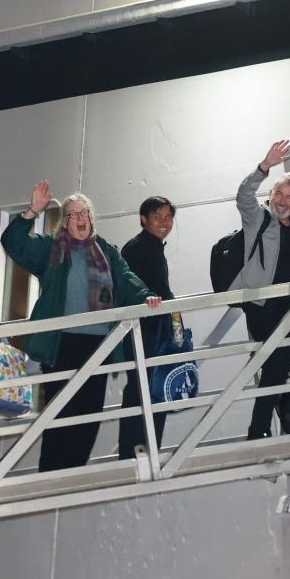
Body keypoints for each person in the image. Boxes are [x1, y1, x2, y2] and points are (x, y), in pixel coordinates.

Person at [1, 182, 161, 472]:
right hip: (62, 344)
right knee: (61, 414)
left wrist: (144, 295)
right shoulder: (50, 248)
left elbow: (125, 278)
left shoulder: (106, 251)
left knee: (88, 415)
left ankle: (73, 471)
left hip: (97, 345)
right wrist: (32, 212)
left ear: (91, 216)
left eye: (83, 212)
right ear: (64, 221)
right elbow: (14, 244)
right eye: (72, 214)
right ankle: (51, 474)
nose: (79, 218)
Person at [231, 140, 290, 439]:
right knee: (277, 366)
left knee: (278, 371)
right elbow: (243, 197)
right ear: (271, 194)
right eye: (278, 193)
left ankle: (271, 428)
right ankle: (258, 430)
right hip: (264, 308)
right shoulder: (260, 220)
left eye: (289, 196)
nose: (282, 200)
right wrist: (264, 166)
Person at [118, 197, 176, 459]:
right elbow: (132, 289)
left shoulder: (152, 247)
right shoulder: (137, 248)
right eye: (157, 216)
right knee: (142, 389)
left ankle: (146, 447)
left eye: (168, 217)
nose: (164, 222)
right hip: (144, 331)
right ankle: (136, 449)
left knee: (153, 387)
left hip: (155, 329)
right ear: (143, 219)